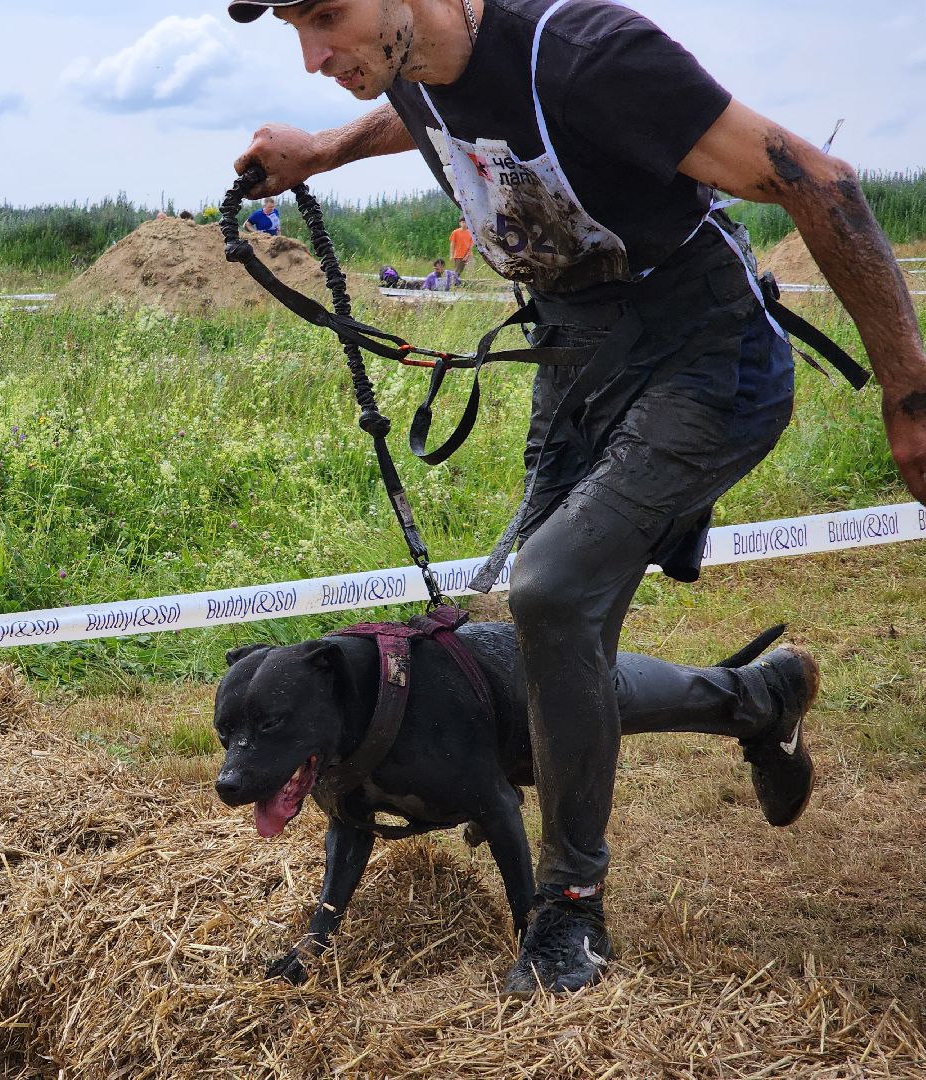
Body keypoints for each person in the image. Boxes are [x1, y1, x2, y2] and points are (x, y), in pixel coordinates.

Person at [227, 0, 926, 996]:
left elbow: (822, 178)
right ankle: (754, 701)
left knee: (548, 595)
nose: (312, 56)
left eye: (327, 16)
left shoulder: (589, 56)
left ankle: (568, 915)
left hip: (705, 361)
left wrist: (910, 392)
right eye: (294, 30)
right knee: (557, 642)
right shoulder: (414, 60)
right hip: (579, 363)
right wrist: (324, 151)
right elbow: (435, 106)